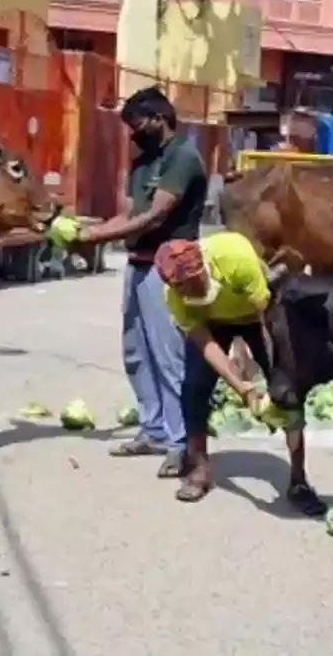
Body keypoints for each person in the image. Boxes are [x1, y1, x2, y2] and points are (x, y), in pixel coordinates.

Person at [61, 86, 209, 477]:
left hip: (169, 268)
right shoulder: (143, 164)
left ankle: (181, 444)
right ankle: (153, 428)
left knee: (168, 357)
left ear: (159, 118)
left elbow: (153, 217)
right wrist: (82, 232)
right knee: (136, 353)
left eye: (137, 123)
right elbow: (126, 215)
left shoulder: (183, 157)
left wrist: (95, 239)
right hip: (138, 264)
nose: (133, 132)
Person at [153, 234, 326, 513]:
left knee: (287, 390)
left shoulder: (236, 257)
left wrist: (273, 376)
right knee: (193, 388)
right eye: (184, 289)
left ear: (203, 267)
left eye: (196, 283)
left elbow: (266, 321)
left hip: (255, 316)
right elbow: (206, 344)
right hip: (212, 323)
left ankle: (299, 481)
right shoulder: (173, 296)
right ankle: (198, 470)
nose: (192, 292)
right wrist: (243, 389)